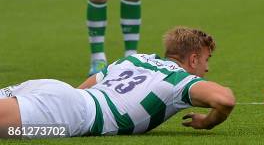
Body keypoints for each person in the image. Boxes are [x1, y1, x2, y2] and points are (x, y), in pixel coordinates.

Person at [0, 27, 235, 138]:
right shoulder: (180, 81)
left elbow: (84, 88)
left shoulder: (134, 59)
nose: (207, 68)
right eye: (206, 60)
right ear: (193, 59)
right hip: (70, 116)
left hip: (56, 93)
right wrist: (207, 122)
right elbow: (225, 100)